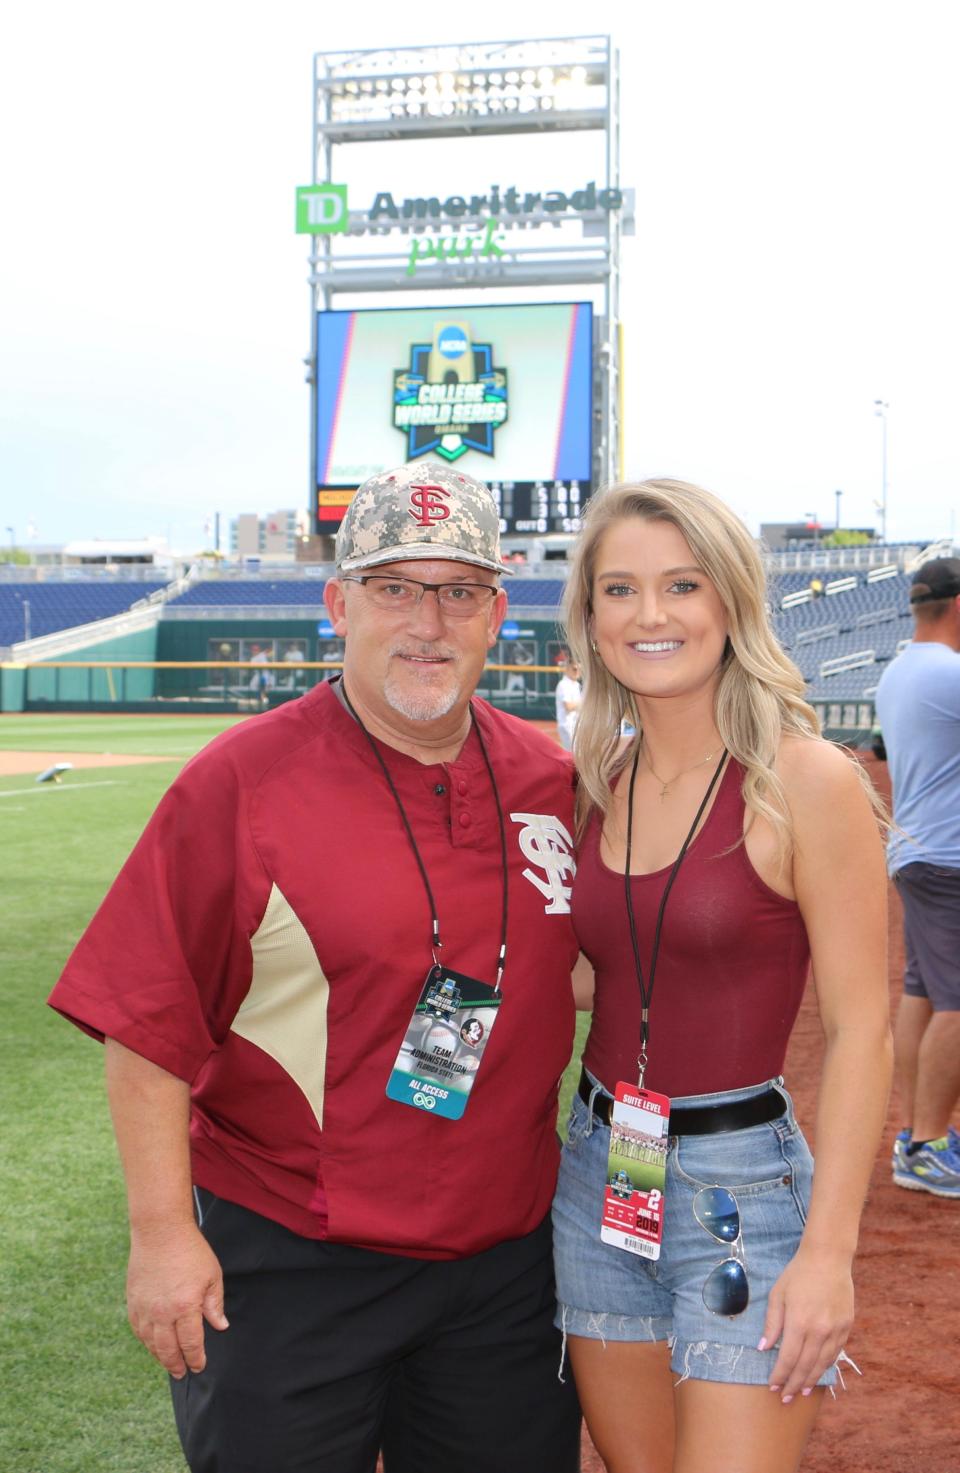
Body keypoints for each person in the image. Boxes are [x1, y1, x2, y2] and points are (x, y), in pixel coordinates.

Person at [48, 463, 582, 1473]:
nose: (428, 620)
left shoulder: (553, 778)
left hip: (507, 1268)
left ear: (497, 614)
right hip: (293, 1256)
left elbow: (611, 955)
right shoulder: (240, 783)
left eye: (458, 591)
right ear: (338, 604)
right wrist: (163, 1236)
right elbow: (149, 1023)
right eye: (394, 588)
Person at [552, 479, 891, 1473]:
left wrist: (828, 1257)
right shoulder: (591, 783)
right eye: (620, 590)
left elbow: (862, 1031)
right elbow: (602, 976)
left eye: (682, 585)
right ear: (591, 618)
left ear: (731, 604)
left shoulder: (806, 781)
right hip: (601, 1174)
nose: (650, 615)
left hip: (741, 1191)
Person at [874, 556, 960, 1197]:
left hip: (920, 850)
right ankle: (926, 1144)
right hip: (949, 858)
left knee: (924, 994)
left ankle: (917, 1132)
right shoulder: (950, 673)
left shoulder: (904, 668)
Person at [555, 659, 583, 751]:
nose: (577, 672)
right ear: (567, 669)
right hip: (567, 726)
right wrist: (584, 702)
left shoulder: (576, 685)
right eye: (574, 669)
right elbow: (568, 706)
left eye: (579, 669)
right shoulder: (563, 685)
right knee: (574, 756)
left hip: (576, 725)